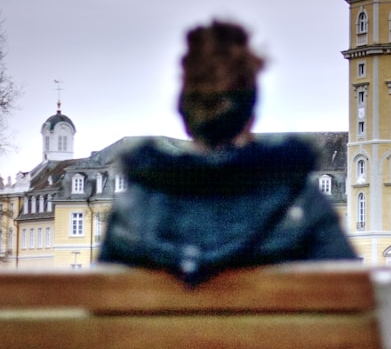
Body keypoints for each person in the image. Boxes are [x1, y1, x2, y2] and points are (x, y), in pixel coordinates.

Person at [99, 19, 356, 284]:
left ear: (185, 115)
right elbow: (352, 299)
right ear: (250, 116)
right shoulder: (300, 202)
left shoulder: (136, 208)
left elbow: (100, 308)